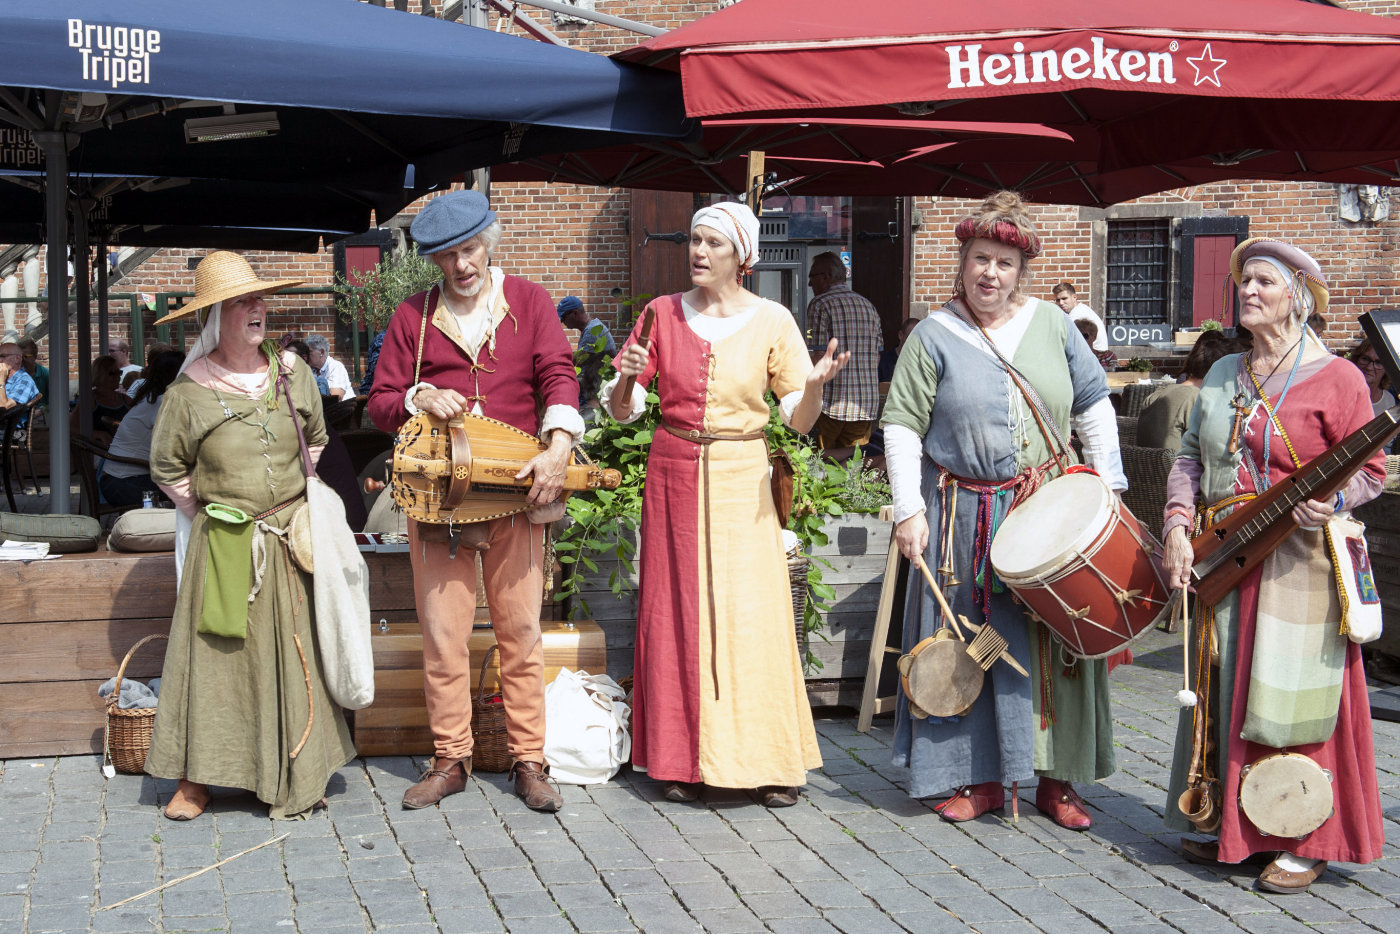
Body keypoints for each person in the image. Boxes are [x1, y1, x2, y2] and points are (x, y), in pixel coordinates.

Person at [881, 191, 1125, 828]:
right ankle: (978, 776)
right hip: (965, 518)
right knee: (976, 643)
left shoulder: (1053, 325)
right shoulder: (933, 335)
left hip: (1052, 514)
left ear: (1023, 272)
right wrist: (910, 511)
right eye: (980, 259)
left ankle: (1057, 779)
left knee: (1059, 638)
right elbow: (903, 426)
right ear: (962, 264)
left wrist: (1109, 492)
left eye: (1005, 263)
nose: (991, 273)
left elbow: (1095, 406)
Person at [1161, 238, 1387, 893]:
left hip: (1302, 565)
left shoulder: (1339, 378)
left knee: (1296, 705)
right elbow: (1189, 460)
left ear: (1298, 295)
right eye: (1244, 283)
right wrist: (1177, 525)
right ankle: (1242, 830)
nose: (1249, 292)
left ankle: (1309, 836)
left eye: (1263, 281)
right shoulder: (1228, 372)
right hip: (1229, 553)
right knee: (1231, 692)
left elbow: (1370, 470)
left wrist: (1335, 499)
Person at [606, 202, 848, 808]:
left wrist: (814, 385)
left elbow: (798, 418)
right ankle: (678, 759)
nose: (699, 252)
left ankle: (767, 761)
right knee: (675, 608)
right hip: (672, 471)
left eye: (714, 243)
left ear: (743, 256)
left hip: (743, 474)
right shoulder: (659, 314)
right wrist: (627, 378)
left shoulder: (773, 321)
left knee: (752, 613)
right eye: (694, 240)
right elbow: (619, 410)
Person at [369, 190, 581, 813]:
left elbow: (558, 375)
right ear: (433, 261)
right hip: (438, 499)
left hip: (516, 491)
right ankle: (450, 758)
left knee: (521, 631)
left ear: (490, 241)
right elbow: (379, 401)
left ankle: (529, 761)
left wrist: (560, 445)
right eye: (447, 256)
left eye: (470, 249)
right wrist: (417, 397)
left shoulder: (531, 302)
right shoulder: (414, 315)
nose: (462, 265)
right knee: (443, 634)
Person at [145, 251, 356, 821]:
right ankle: (198, 779)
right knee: (216, 658)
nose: (256, 309)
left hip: (289, 540)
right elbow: (168, 469)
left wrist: (287, 506)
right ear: (214, 318)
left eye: (259, 299)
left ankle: (297, 770)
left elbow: (314, 438)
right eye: (242, 302)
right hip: (227, 542)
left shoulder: (294, 373)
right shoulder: (187, 393)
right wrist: (218, 511)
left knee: (293, 657)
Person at [805, 251, 882, 449]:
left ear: (826, 277)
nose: (809, 284)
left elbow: (818, 356)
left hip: (831, 404)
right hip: (865, 404)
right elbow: (878, 356)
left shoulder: (820, 304)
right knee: (854, 468)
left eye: (812, 277)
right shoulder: (869, 306)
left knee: (820, 466)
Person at [99, 349, 185, 507]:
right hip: (124, 484)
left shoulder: (152, 397)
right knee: (197, 488)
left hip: (116, 481)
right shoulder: (162, 402)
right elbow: (179, 442)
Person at [1137, 332, 1239, 451]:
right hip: (1182, 467)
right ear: (1218, 371)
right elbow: (1216, 447)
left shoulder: (1157, 394)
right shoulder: (1195, 398)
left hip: (1147, 468)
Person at [558, 295, 616, 410]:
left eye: (563, 317)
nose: (562, 322)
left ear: (574, 313)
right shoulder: (593, 327)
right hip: (594, 385)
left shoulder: (592, 331)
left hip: (595, 392)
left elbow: (576, 363)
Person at [72, 354, 129, 443]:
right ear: (99, 375)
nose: (118, 376)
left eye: (119, 372)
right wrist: (99, 434)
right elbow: (72, 427)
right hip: (99, 451)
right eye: (112, 373)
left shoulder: (125, 399)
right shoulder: (90, 400)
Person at [1052, 282, 1109, 353]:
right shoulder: (1080, 309)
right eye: (1058, 300)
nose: (1061, 303)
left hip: (1095, 355)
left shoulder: (1077, 315)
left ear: (1074, 297)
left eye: (1064, 298)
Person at [1348, 339, 1395, 417]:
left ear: (1386, 369)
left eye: (1378, 362)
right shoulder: (1343, 394)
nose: (1369, 367)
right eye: (1365, 359)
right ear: (1356, 360)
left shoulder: (1389, 401)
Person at [306, 334, 354, 400]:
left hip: (342, 408)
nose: (306, 356)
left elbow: (336, 396)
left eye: (309, 352)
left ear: (321, 352)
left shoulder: (335, 367)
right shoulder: (310, 369)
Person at [0, 341, 39, 413]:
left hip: (7, 423)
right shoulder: (5, 378)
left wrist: (1, 381)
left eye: (3, 356)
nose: (0, 360)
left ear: (17, 358)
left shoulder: (25, 381)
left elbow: (4, 407)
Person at [17, 337, 48, 410]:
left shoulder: (46, 375)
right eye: (19, 357)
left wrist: (41, 411)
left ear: (35, 356)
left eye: (25, 357)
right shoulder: (13, 374)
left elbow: (54, 401)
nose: (21, 360)